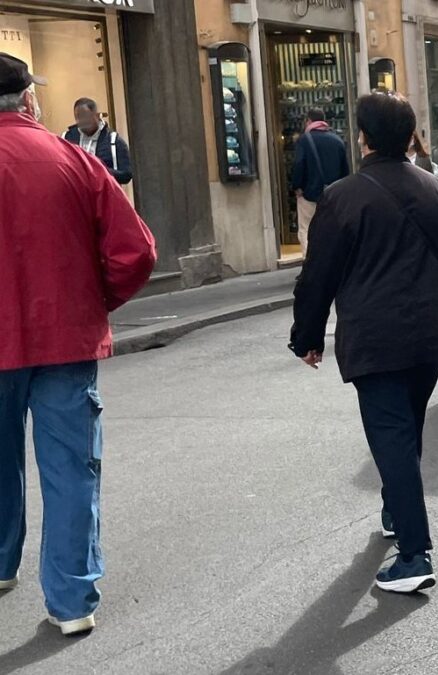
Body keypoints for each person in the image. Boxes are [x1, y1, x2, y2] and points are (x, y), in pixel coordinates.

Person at [289, 93, 438, 594]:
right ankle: (397, 511)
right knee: (406, 427)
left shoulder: (342, 197)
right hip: (429, 336)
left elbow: (317, 277)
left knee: (391, 435)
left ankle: (414, 554)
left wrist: (306, 337)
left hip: (376, 337)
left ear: (363, 137)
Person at [0, 53, 156, 635]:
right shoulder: (73, 160)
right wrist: (96, 300)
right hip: (64, 336)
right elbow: (135, 251)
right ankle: (71, 604)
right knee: (70, 469)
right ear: (29, 101)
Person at [290, 108, 350, 257]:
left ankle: (310, 265)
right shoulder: (337, 141)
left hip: (309, 194)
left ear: (309, 121)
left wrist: (297, 186)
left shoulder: (304, 140)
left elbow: (299, 164)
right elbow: (345, 170)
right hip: (333, 196)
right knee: (331, 229)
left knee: (306, 229)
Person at [63, 98, 132, 185]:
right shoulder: (66, 139)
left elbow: (127, 175)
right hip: (78, 196)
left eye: (85, 116)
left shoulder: (113, 140)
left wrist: (99, 170)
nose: (82, 121)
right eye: (78, 117)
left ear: (96, 115)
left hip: (105, 196)